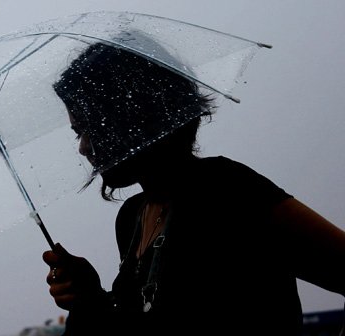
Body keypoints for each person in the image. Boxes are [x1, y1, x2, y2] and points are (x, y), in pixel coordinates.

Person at [42, 40, 345, 335]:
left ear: (136, 114)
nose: (83, 147)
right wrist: (90, 297)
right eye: (77, 133)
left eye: (92, 128)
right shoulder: (133, 216)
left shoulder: (228, 190)